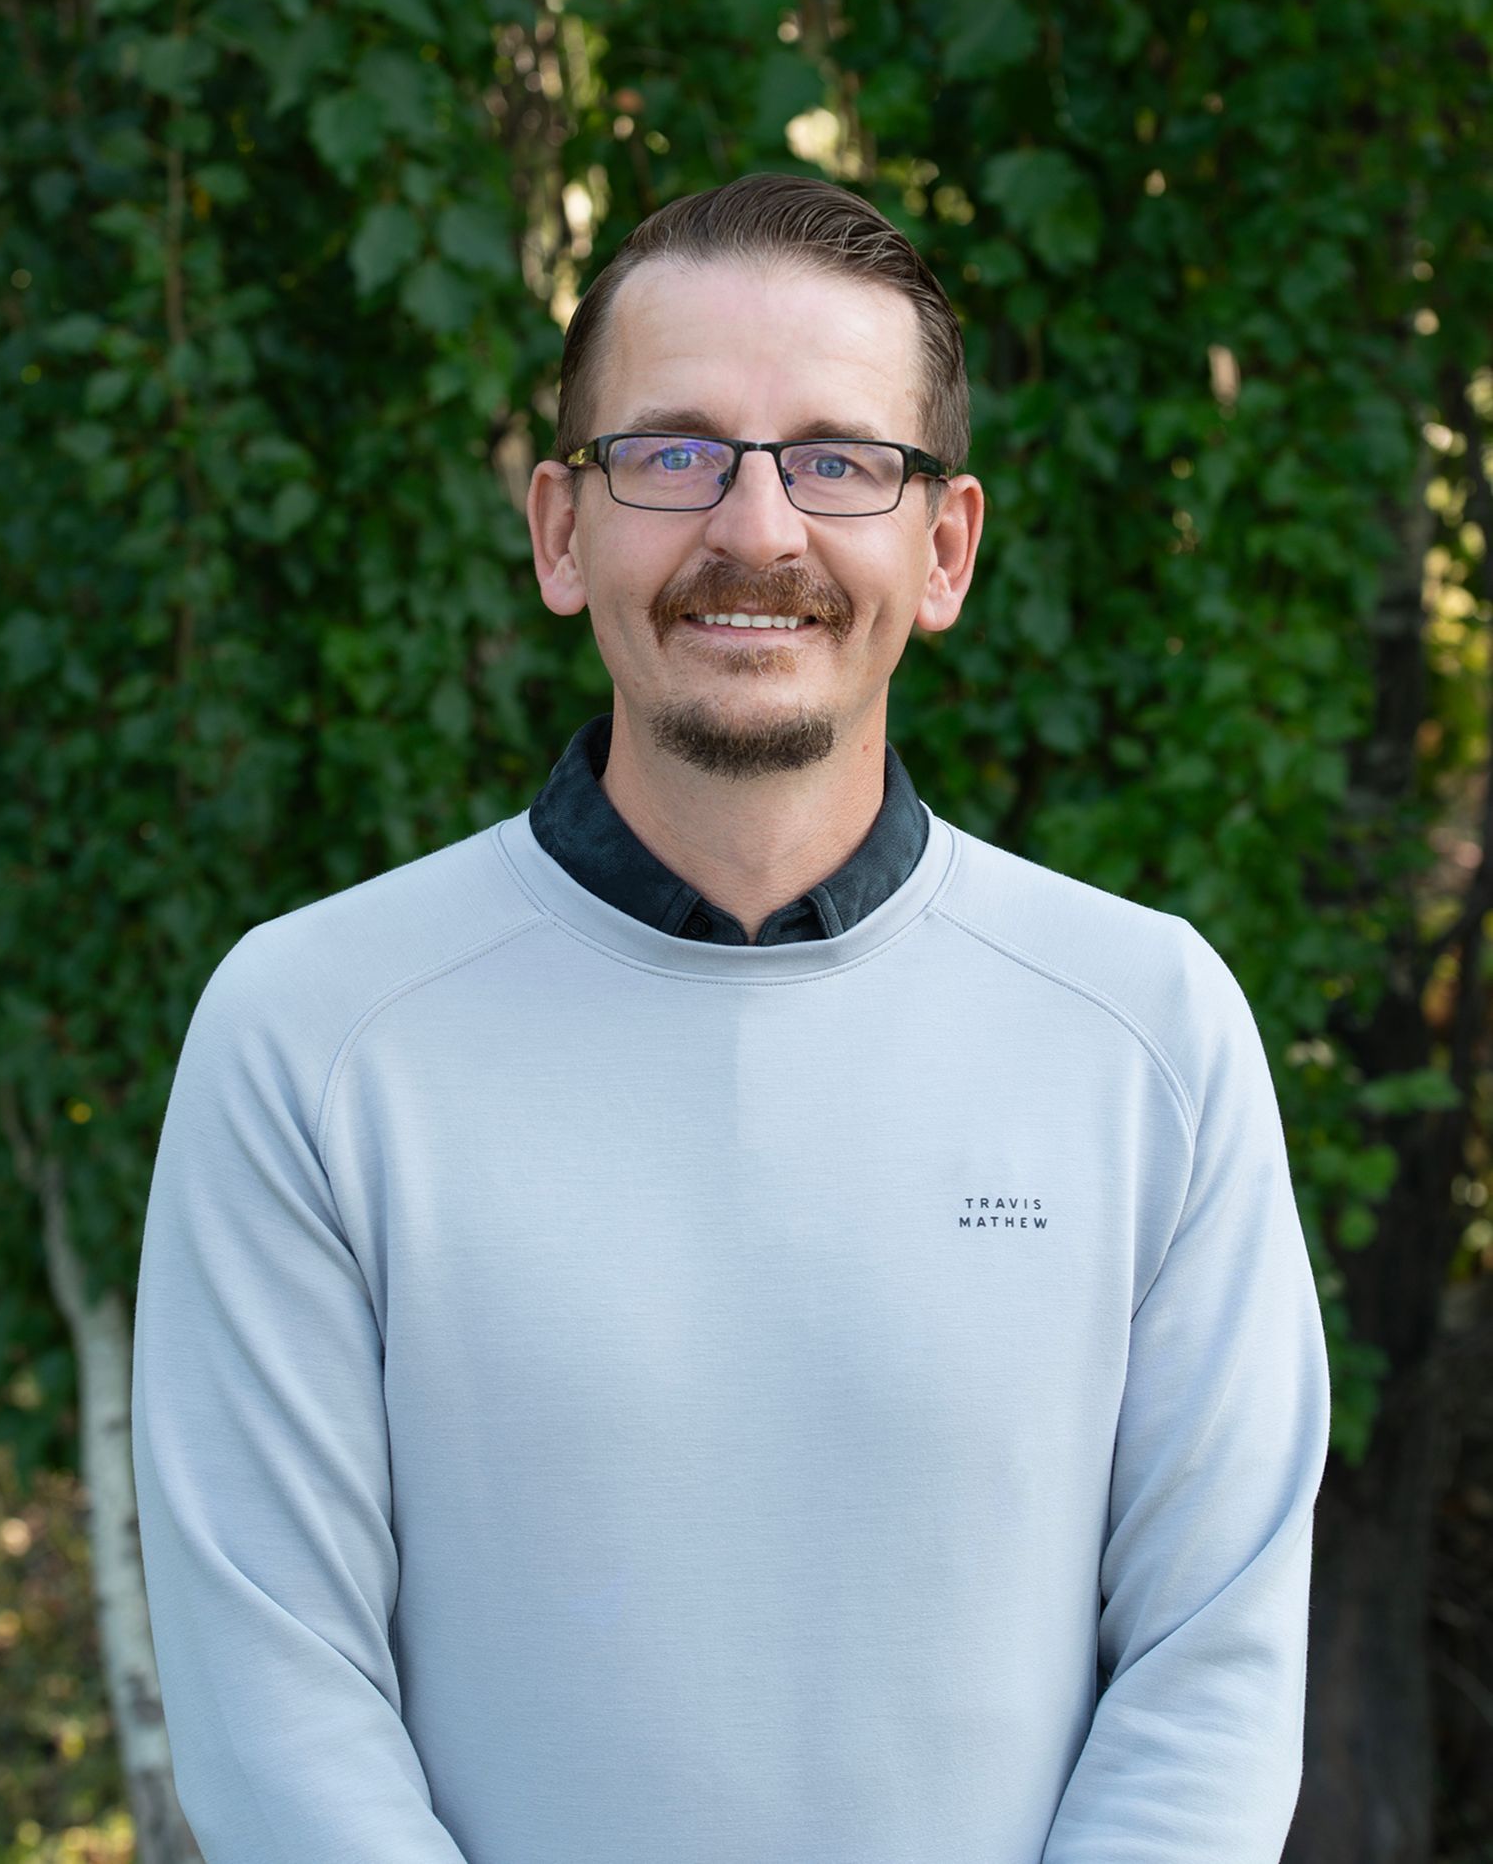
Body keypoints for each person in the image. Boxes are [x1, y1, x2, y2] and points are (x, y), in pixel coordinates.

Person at [131, 172, 1331, 1864]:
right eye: (674, 453)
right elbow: (284, 1726)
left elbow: (1208, 1689)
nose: (755, 532)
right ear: (563, 530)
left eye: (839, 460)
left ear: (945, 547)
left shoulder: (1150, 1034)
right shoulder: (311, 1035)